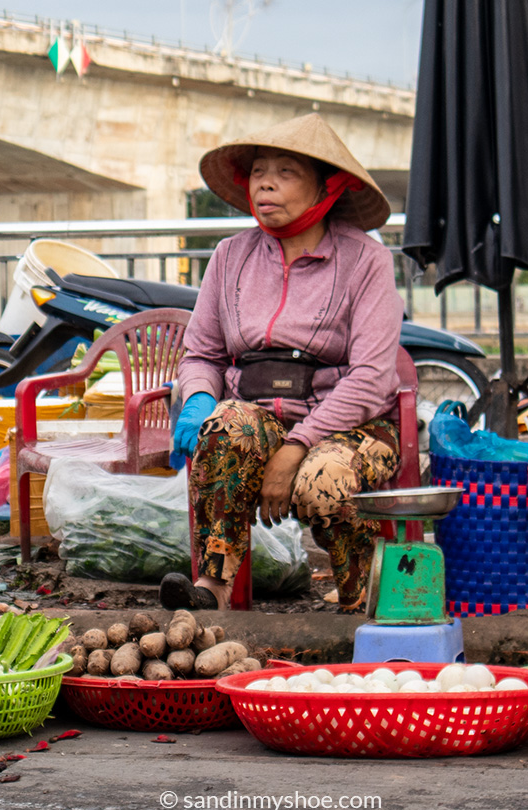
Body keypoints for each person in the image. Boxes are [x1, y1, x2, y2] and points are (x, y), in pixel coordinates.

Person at [160, 113, 404, 613]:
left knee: (323, 478)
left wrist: (297, 446)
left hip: (351, 426)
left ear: (327, 187)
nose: (265, 182)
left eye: (286, 172)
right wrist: (200, 397)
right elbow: (202, 352)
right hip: (260, 416)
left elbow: (373, 377)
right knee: (226, 426)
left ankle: (364, 596)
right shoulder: (230, 256)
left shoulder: (366, 261)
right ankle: (213, 587)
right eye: (258, 171)